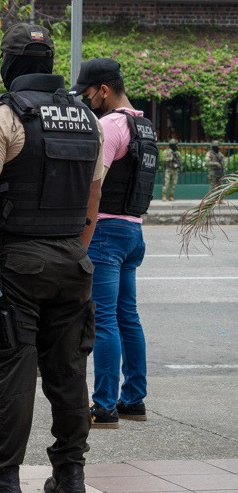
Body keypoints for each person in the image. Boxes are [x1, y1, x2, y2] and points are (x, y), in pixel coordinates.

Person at [0, 24, 105, 493]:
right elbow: (93, 199)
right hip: (72, 259)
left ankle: (2, 481)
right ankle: (70, 476)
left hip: (15, 264)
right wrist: (75, 250)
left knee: (13, 372)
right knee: (68, 370)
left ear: (10, 63)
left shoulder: (3, 115)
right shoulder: (86, 118)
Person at [72, 59, 157, 428]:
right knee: (127, 316)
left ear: (103, 90)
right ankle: (133, 399)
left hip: (105, 231)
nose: (86, 101)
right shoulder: (144, 125)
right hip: (133, 231)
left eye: (88, 93)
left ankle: (104, 406)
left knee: (103, 319)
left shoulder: (108, 124)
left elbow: (95, 184)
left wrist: (81, 235)